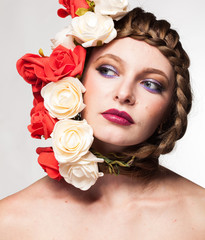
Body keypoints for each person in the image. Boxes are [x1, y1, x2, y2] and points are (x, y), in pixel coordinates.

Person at [0, 3, 205, 239]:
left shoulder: (199, 217)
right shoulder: (10, 222)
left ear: (169, 112)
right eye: (108, 70)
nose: (124, 94)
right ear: (75, 79)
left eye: (151, 84)